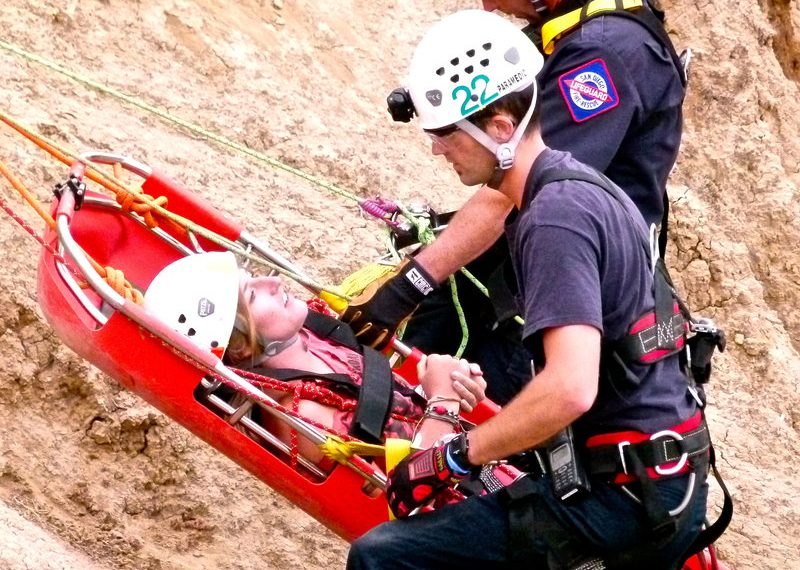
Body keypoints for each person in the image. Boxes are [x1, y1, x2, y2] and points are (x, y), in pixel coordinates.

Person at [348, 10, 708, 569]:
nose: (438, 150)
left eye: (446, 133)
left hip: (623, 501)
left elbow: (570, 389)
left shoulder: (553, 218)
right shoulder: (578, 186)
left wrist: (454, 456)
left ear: (499, 128)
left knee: (383, 557)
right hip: (658, 480)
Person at [344, 0, 687, 405]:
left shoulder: (605, 53)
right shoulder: (580, 33)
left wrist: (408, 286)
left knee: (449, 406)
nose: (489, 6)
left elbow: (515, 187)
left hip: (552, 292)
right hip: (523, 271)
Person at [143, 251, 490, 470]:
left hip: (473, 449)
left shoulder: (314, 332)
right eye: (252, 294)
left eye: (256, 277)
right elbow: (415, 488)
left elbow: (389, 407)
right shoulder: (303, 416)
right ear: (239, 349)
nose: (273, 281)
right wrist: (444, 402)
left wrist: (444, 387)